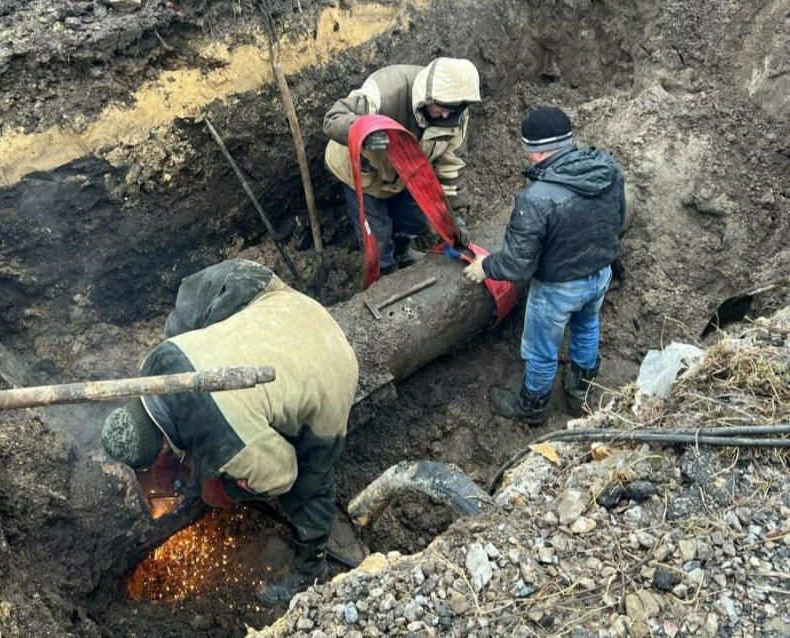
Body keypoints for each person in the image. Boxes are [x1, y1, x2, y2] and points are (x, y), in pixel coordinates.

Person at [100, 259, 359, 604]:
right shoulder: (157, 362)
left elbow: (282, 474)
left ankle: (312, 572)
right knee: (206, 298)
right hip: (285, 310)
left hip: (330, 364)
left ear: (164, 446)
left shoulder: (229, 437)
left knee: (308, 485)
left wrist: (224, 489)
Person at [464, 107, 625, 422]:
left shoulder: (536, 199)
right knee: (587, 324)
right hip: (599, 274)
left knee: (540, 350)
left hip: (558, 288)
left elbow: (516, 265)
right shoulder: (606, 168)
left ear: (534, 152)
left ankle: (531, 407)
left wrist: (486, 266)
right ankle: (579, 390)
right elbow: (618, 218)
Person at [323, 58, 480, 275]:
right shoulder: (386, 90)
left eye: (453, 110)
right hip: (364, 172)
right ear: (428, 95)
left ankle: (403, 253)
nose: (446, 115)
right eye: (442, 107)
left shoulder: (455, 115)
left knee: (415, 222)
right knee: (378, 240)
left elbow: (450, 167)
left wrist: (456, 215)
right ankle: (385, 274)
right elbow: (332, 119)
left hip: (407, 174)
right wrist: (363, 130)